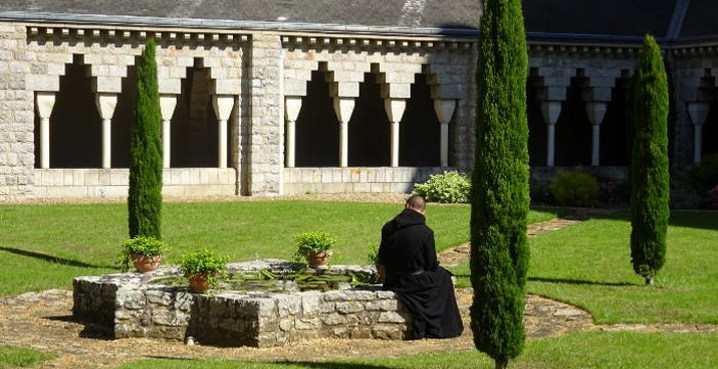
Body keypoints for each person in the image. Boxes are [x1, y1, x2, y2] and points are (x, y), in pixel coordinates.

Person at [377, 194, 464, 339]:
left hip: (393, 280)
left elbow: (382, 256)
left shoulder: (388, 227)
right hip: (413, 280)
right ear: (423, 211)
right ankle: (443, 326)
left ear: (406, 206)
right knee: (444, 276)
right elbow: (430, 264)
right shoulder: (425, 232)